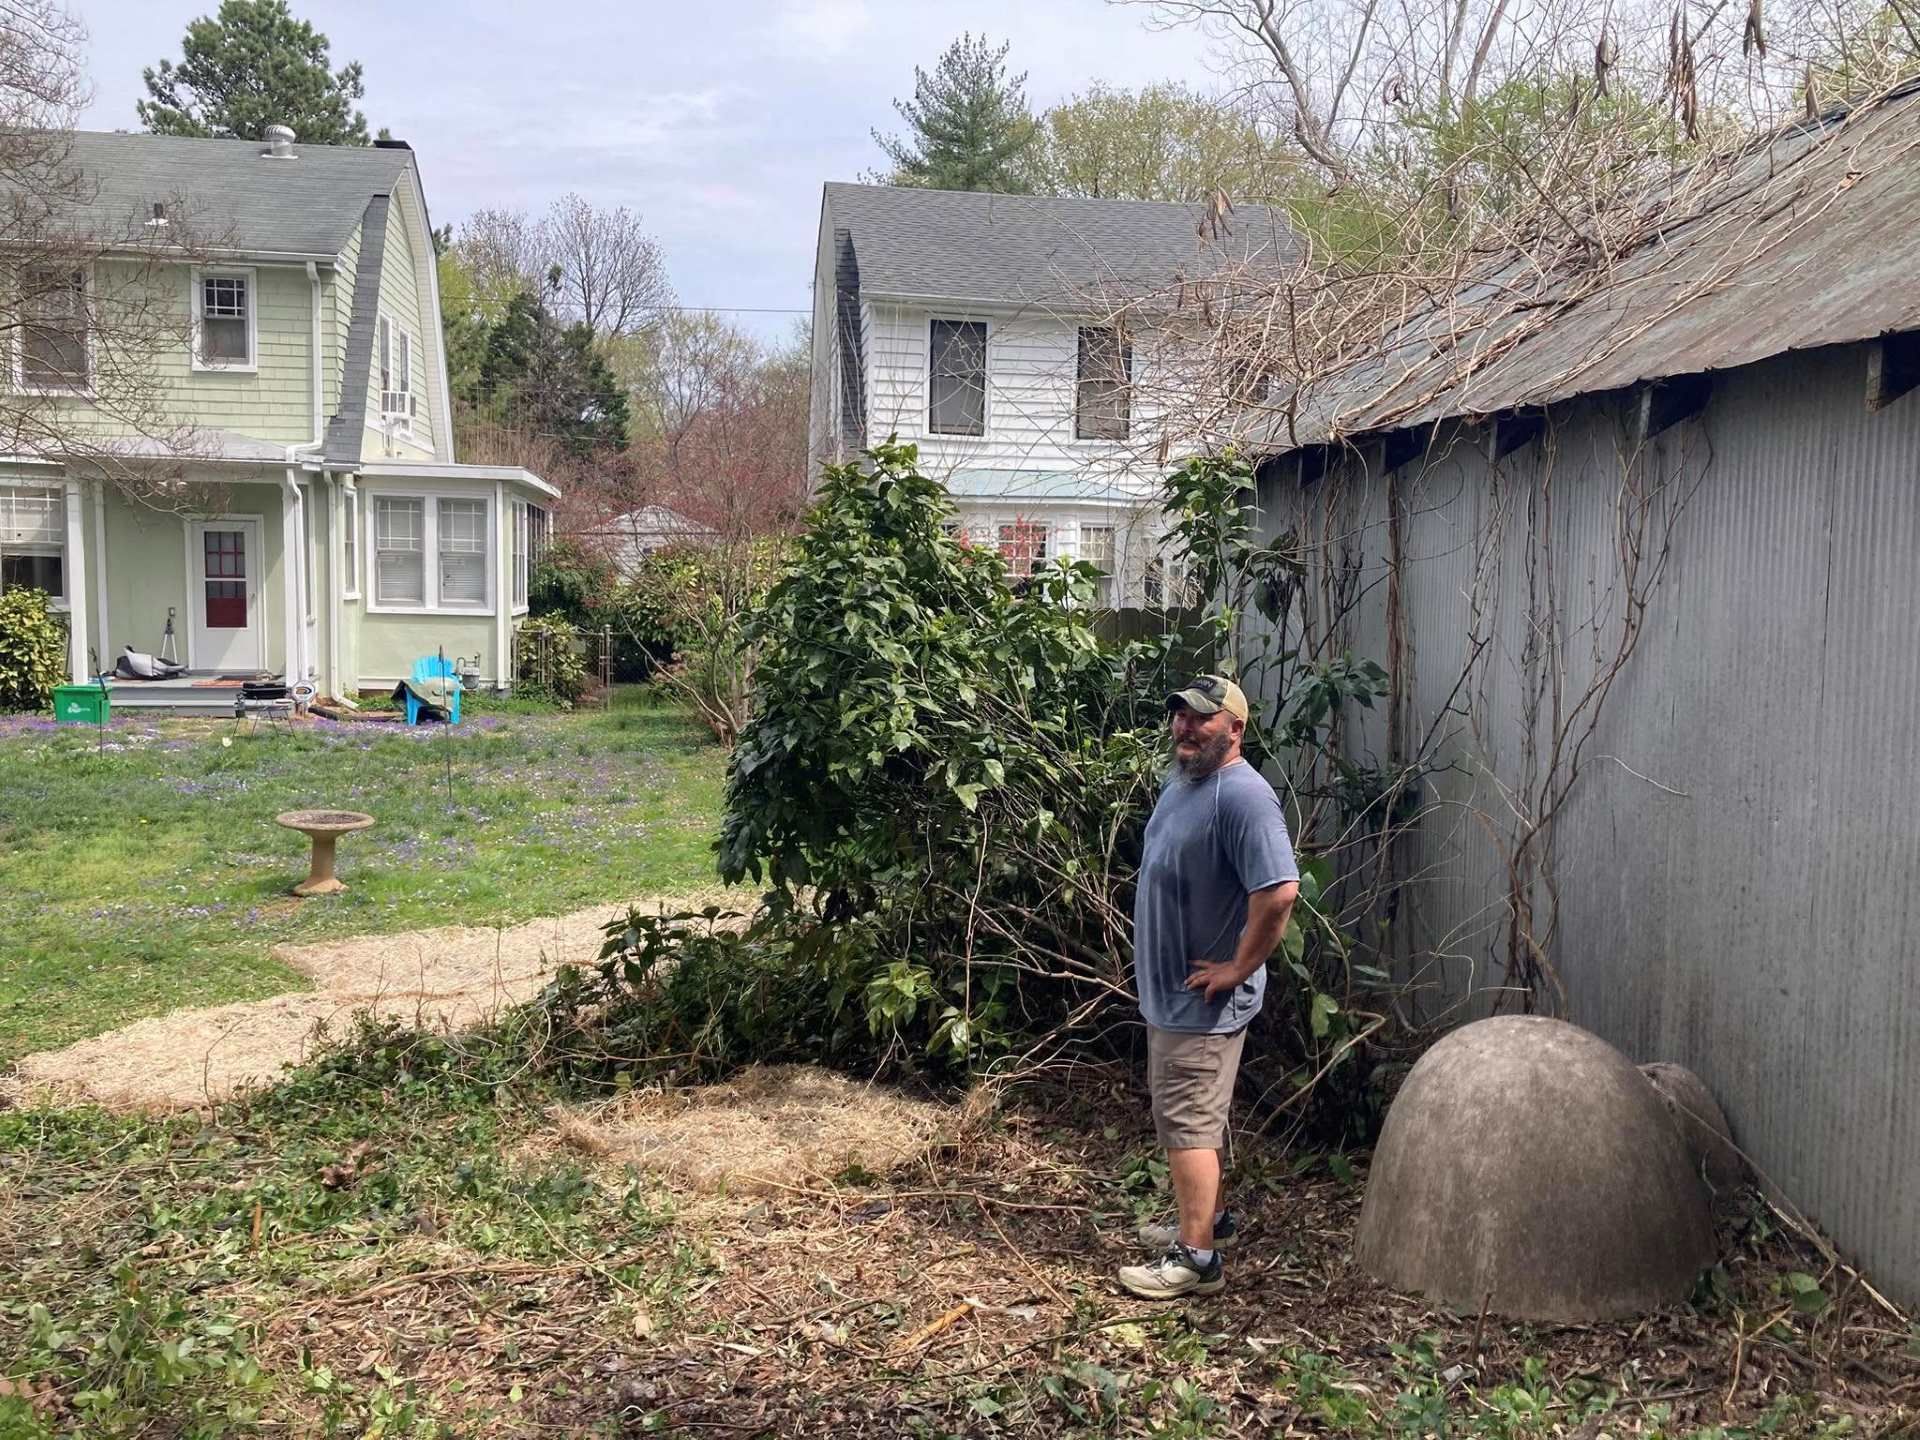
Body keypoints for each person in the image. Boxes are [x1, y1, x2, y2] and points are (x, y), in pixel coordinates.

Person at [1117, 674, 1300, 1300]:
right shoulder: (1187, 782)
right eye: (1180, 717)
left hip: (1203, 1003)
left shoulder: (1244, 797)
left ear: (1235, 729)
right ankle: (1209, 1221)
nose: (1185, 728)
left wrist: (1237, 968)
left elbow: (1279, 893)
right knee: (1199, 1120)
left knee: (1188, 1125)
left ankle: (1197, 1261)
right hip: (1172, 997)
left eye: (1201, 718)